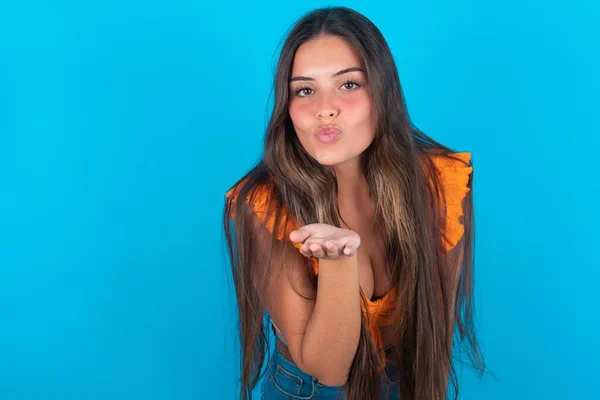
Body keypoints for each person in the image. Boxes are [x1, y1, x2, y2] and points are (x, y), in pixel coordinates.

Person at [223, 6, 486, 400]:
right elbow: (328, 369)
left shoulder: (439, 183)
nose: (324, 108)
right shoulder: (263, 205)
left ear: (383, 91)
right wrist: (337, 262)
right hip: (307, 390)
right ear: (287, 105)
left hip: (405, 381)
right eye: (305, 90)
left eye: (348, 84)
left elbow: (435, 339)